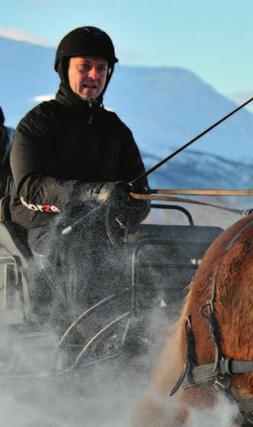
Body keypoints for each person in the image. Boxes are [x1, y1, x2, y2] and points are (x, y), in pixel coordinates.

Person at [9, 26, 150, 324]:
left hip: (107, 230)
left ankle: (163, 340)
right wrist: (93, 192)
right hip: (49, 228)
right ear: (64, 68)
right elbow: (30, 188)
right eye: (85, 66)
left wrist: (129, 203)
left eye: (101, 68)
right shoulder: (38, 123)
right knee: (80, 249)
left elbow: (141, 193)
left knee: (159, 254)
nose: (94, 75)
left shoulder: (116, 130)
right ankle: (84, 344)